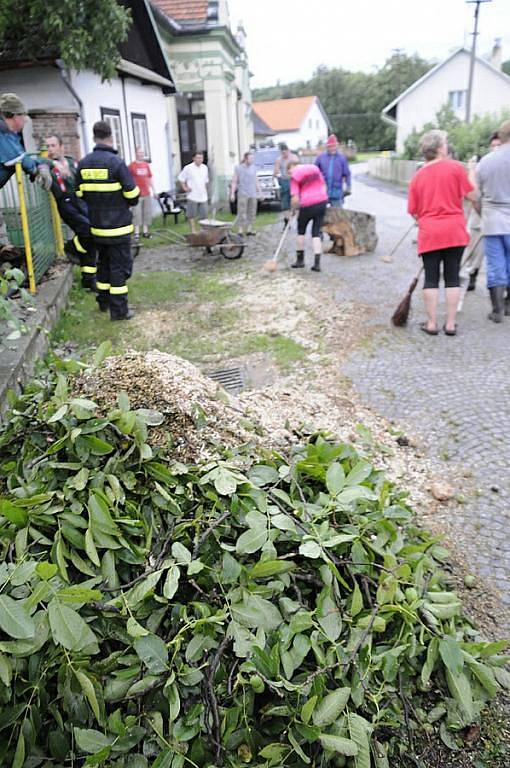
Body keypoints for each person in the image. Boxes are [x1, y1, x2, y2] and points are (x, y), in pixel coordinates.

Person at [407, 129, 476, 336]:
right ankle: (451, 324)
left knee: (431, 278)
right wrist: (471, 172)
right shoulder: (456, 168)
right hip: (454, 230)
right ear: (438, 148)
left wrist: (425, 220)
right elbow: (472, 194)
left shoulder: (418, 177)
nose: (447, 147)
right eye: (445, 143)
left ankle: (431, 323)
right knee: (452, 277)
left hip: (430, 232)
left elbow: (413, 211)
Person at [76, 121, 139, 321]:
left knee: (102, 264)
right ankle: (119, 311)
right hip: (118, 228)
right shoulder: (116, 163)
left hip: (97, 227)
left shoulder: (83, 164)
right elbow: (133, 194)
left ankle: (103, 301)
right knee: (119, 268)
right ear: (110, 137)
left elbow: (79, 193)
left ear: (94, 138)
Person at [43, 133, 96, 290]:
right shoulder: (45, 164)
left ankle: (88, 279)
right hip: (65, 203)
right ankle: (71, 246)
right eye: (47, 146)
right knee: (88, 233)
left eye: (53, 145)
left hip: (80, 201)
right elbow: (34, 161)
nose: (50, 149)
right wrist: (52, 164)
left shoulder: (72, 161)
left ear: (61, 147)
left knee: (91, 240)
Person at [0, 93, 50, 256]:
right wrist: (40, 167)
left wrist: (40, 164)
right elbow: (19, 158)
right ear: (13, 116)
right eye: (23, 115)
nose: (26, 119)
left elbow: (23, 156)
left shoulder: (9, 135)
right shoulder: (2, 133)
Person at [476, 120, 510, 323]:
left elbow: (475, 193)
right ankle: (508, 305)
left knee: (496, 265)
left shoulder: (486, 161)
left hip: (492, 220)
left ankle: (496, 310)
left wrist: (482, 212)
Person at [461, 132, 501, 295]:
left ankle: (501, 290)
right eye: (493, 145)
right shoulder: (484, 164)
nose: (496, 148)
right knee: (475, 249)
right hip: (480, 214)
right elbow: (472, 191)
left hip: (503, 217)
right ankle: (471, 274)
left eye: (499, 145)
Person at [288, 161, 328, 272]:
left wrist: (293, 210)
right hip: (321, 202)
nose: (289, 173)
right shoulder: (314, 168)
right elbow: (324, 185)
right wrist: (323, 199)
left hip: (307, 204)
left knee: (301, 232)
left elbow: (295, 198)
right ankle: (317, 264)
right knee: (316, 233)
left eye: (289, 170)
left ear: (292, 167)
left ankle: (300, 261)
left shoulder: (294, 176)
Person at [315, 134, 351, 208]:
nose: (332, 148)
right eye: (330, 146)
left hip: (337, 190)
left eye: (334, 146)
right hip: (323, 191)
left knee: (337, 214)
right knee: (321, 213)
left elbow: (347, 174)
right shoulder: (320, 157)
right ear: (327, 147)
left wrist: (348, 186)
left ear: (337, 146)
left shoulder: (342, 158)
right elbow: (315, 172)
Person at [128, 147, 156, 241]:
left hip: (147, 193)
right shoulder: (131, 166)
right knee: (137, 213)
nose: (141, 154)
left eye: (142, 152)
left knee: (146, 213)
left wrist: (154, 190)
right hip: (137, 194)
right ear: (136, 153)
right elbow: (128, 180)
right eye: (139, 152)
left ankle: (145, 232)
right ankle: (136, 233)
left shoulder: (146, 165)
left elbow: (149, 178)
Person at [178, 151, 209, 233]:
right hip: (192, 195)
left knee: (204, 214)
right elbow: (181, 178)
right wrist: (185, 188)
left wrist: (205, 190)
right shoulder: (188, 168)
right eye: (198, 158)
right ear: (194, 158)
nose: (199, 160)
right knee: (191, 215)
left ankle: (203, 230)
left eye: (201, 158)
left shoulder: (205, 168)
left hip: (202, 195)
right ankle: (193, 231)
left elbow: (206, 180)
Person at [230, 151, 260, 237]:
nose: (252, 160)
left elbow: (256, 180)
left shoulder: (254, 168)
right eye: (250, 158)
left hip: (252, 193)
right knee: (242, 211)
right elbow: (234, 181)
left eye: (252, 158)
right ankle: (240, 230)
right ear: (246, 159)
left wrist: (260, 192)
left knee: (252, 211)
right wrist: (232, 193)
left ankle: (249, 229)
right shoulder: (238, 168)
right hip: (243, 193)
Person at [274, 143, 298, 230]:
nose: (284, 155)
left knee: (294, 199)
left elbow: (299, 168)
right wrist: (278, 175)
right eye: (282, 153)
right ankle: (287, 221)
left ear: (288, 151)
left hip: (294, 180)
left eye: (285, 153)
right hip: (284, 181)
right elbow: (276, 172)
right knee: (285, 202)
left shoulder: (294, 158)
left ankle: (294, 211)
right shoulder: (279, 160)